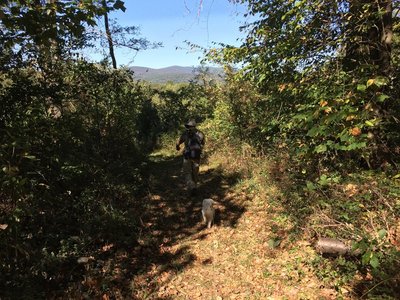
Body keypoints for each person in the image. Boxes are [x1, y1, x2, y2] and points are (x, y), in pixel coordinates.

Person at [176, 119, 205, 193]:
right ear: (194, 126)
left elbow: (178, 142)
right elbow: (202, 144)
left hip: (187, 155)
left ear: (188, 126)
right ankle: (194, 185)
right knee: (195, 171)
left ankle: (192, 187)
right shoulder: (200, 134)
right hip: (196, 156)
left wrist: (178, 147)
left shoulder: (185, 134)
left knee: (187, 172)